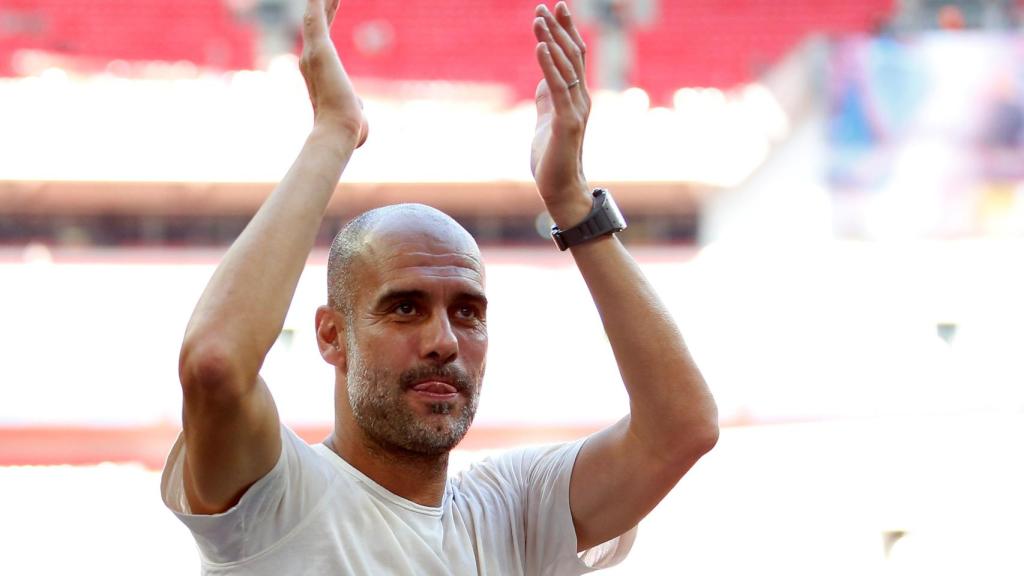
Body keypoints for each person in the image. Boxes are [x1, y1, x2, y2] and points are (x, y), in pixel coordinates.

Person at [160, 0, 719, 573]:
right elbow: (215, 365)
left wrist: (576, 207)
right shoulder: (277, 499)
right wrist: (334, 132)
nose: (444, 341)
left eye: (468, 312)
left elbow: (681, 428)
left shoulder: (515, 507)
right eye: (405, 308)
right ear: (332, 336)